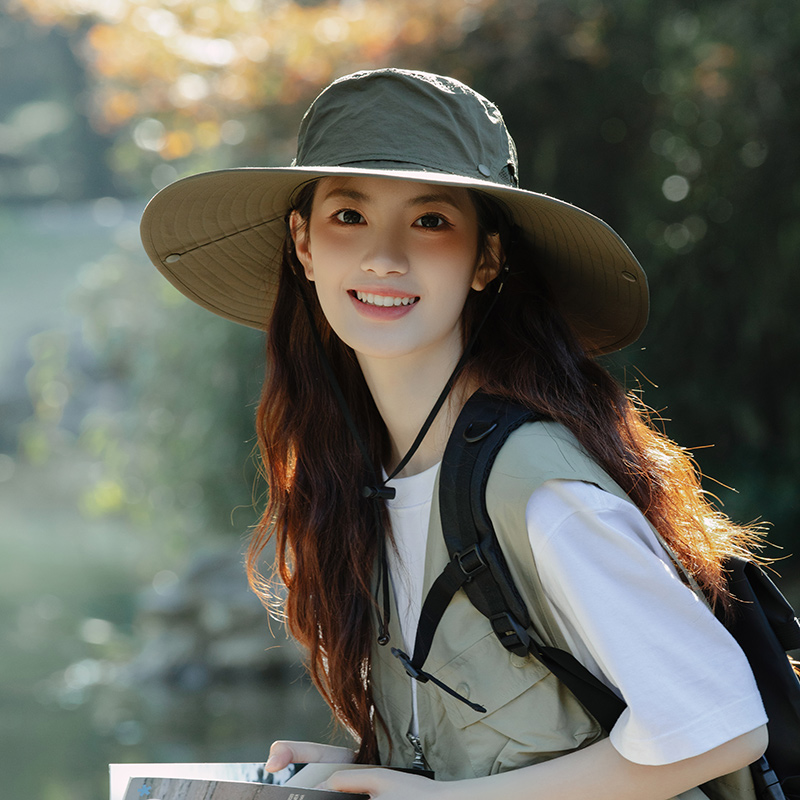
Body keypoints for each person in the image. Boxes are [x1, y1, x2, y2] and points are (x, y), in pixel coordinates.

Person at [140, 68, 769, 799]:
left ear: (487, 258)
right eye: (349, 215)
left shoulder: (534, 485)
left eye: (431, 220)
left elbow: (721, 727)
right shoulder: (377, 475)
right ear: (303, 244)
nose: (383, 255)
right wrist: (372, 772)